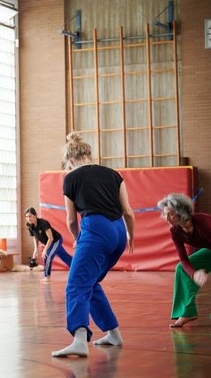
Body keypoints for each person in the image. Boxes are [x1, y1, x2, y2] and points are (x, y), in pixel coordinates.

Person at [52, 132, 135, 358]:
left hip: (95, 229)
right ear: (90, 154)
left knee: (76, 283)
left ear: (70, 160)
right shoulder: (113, 174)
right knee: (91, 282)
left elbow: (70, 220)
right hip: (118, 231)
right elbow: (127, 211)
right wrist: (131, 236)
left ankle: (79, 340)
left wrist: (79, 239)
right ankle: (113, 333)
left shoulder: (70, 178)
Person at [157, 193, 211, 328]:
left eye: (170, 214)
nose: (166, 218)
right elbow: (183, 259)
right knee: (181, 268)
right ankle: (187, 312)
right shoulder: (175, 231)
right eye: (165, 214)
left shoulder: (204, 222)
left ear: (181, 212)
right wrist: (194, 274)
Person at [24, 207, 73, 282]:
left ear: (35, 215)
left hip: (56, 240)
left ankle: (47, 276)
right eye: (26, 217)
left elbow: (51, 238)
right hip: (50, 243)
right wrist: (35, 250)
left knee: (47, 255)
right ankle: (78, 268)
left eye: (30, 216)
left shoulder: (43, 223)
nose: (28, 218)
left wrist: (45, 250)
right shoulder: (30, 226)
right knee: (65, 257)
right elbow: (35, 238)